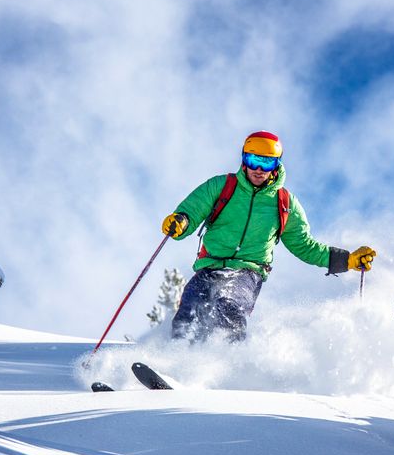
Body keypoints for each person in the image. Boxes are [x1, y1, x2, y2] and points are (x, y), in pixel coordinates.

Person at [161, 130, 376, 342]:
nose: (258, 169)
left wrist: (346, 260)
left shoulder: (284, 203)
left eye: (267, 163)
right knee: (189, 308)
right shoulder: (222, 186)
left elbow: (305, 245)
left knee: (228, 306)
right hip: (210, 266)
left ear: (276, 165)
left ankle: (227, 362)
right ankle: (178, 359)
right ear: (244, 160)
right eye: (253, 160)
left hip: (247, 272)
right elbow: (192, 210)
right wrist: (181, 221)